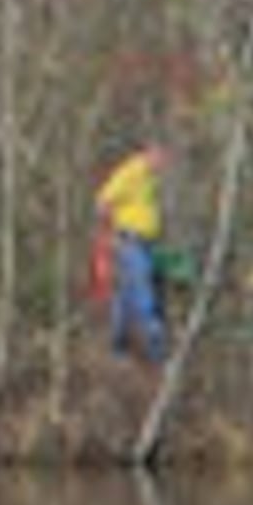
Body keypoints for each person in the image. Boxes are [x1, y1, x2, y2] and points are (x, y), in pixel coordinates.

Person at [94, 142, 170, 364]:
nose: (163, 162)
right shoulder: (130, 173)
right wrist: (109, 233)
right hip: (129, 242)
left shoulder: (150, 178)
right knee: (144, 290)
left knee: (125, 296)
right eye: (160, 156)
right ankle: (157, 350)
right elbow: (103, 201)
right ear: (148, 153)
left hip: (144, 242)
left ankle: (118, 345)